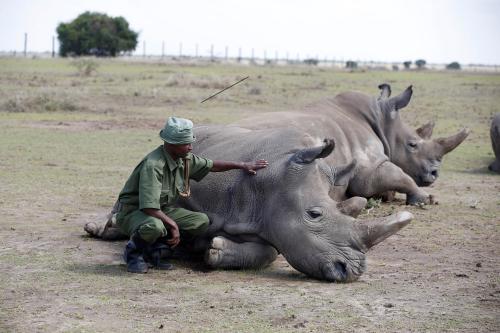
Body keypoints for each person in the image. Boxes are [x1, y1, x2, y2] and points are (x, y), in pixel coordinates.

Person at [116, 117, 268, 273]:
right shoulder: (154, 165)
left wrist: (242, 165)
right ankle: (133, 253)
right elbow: (149, 207)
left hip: (161, 209)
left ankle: (157, 250)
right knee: (154, 226)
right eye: (186, 144)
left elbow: (212, 166)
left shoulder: (183, 159)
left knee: (200, 221)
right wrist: (173, 225)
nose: (190, 147)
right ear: (172, 144)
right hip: (135, 211)